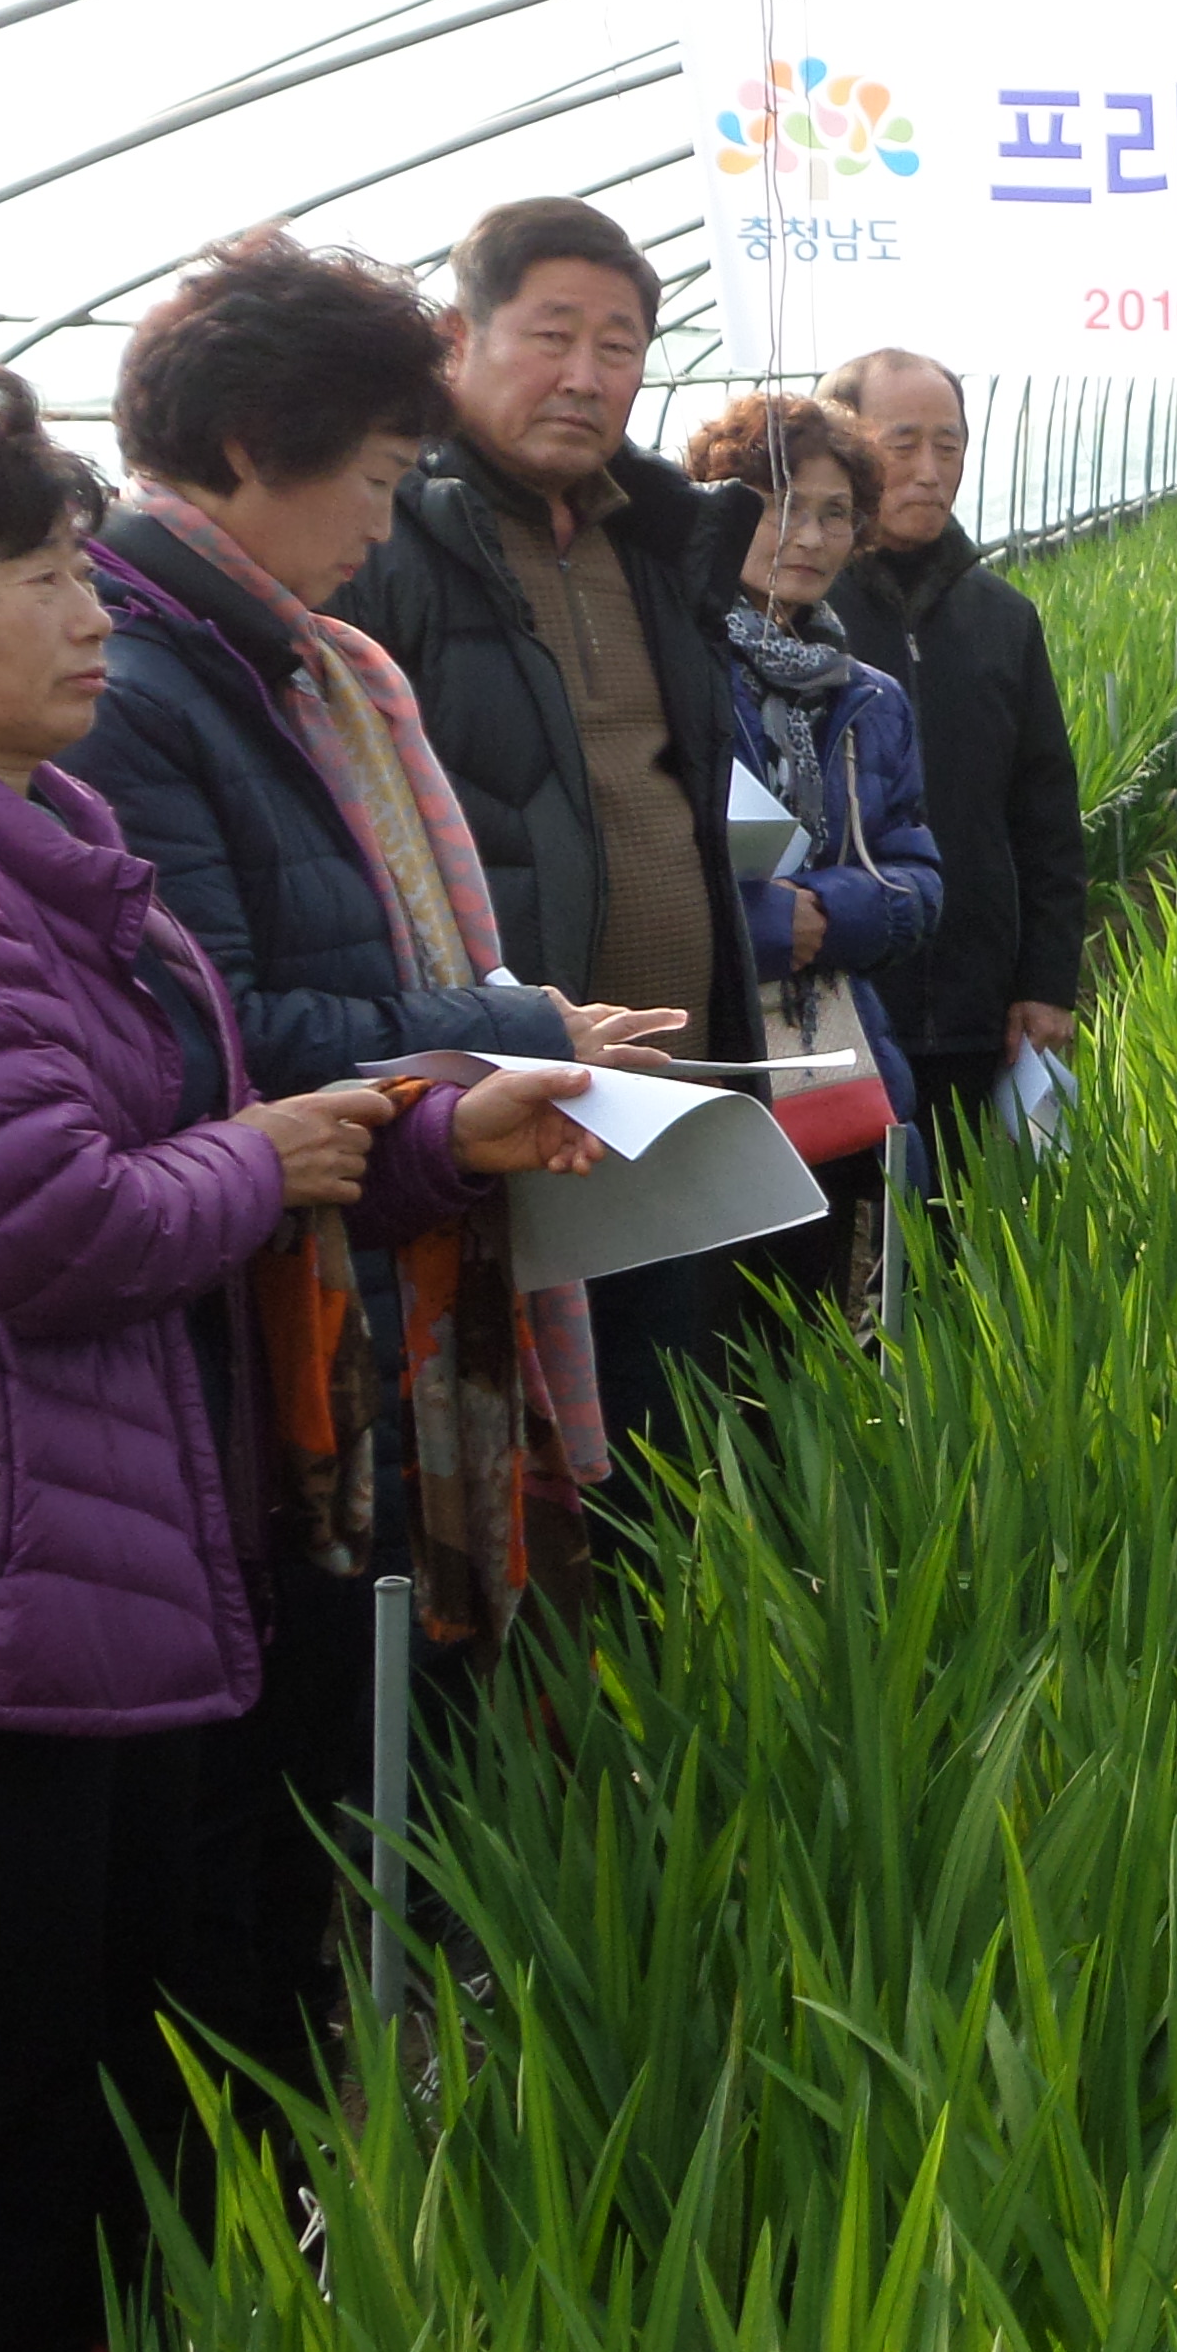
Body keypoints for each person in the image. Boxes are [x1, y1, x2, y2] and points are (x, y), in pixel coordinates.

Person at [0, 360, 594, 2352]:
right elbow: (29, 1222)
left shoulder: (49, 838)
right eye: (33, 572)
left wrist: (417, 1132)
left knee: (114, 1992)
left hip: (131, 1520)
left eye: (85, 561)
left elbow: (199, 1124)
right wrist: (267, 1153)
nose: (87, 609)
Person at [65, 232, 670, 2089]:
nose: (383, 525)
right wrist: (505, 1028)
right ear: (257, 444)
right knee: (259, 1820)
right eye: (376, 478)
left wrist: (497, 1027)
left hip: (356, 1254)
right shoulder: (157, 688)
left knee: (339, 1768)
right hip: (262, 1328)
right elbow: (217, 1032)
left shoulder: (295, 666)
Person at [335, 199, 760, 1473]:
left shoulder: (659, 540)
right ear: (458, 341)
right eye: (551, 335)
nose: (586, 376)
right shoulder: (388, 534)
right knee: (516, 1456)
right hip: (494, 1099)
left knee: (660, 1429)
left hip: (667, 1082)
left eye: (620, 347)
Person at [686, 393, 942, 1315]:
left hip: (837, 1059)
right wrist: (759, 925)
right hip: (706, 1061)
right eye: (779, 504)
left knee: (827, 1330)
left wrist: (828, 915)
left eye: (836, 512)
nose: (810, 536)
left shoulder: (869, 699)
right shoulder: (678, 673)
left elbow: (919, 880)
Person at [817, 349, 1082, 1175]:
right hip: (834, 996)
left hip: (974, 996)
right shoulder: (797, 614)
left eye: (950, 445)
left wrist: (1045, 980)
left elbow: (1044, 813)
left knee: (955, 1242)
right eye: (903, 445)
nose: (930, 472)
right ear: (849, 451)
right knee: (813, 1250)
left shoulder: (1002, 617)